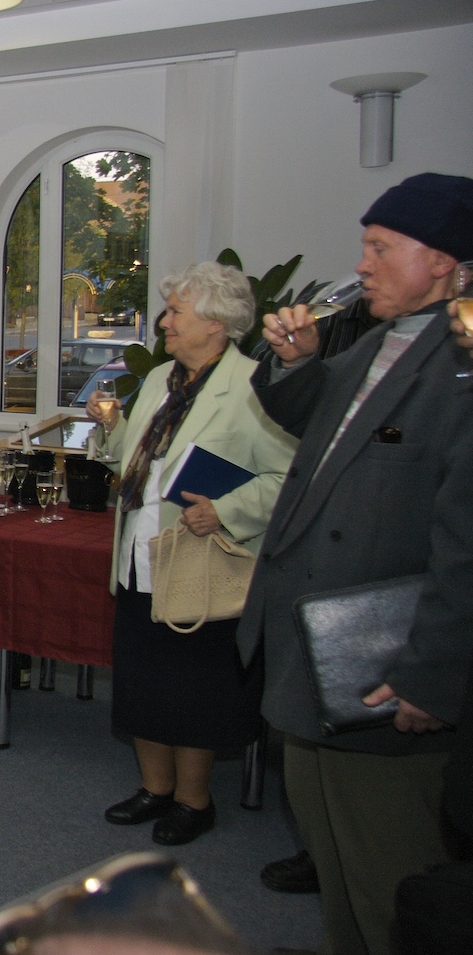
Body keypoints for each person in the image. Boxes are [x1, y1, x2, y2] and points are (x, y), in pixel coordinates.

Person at [239, 172, 473, 955]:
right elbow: (319, 426)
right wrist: (299, 360)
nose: (362, 264)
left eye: (380, 246)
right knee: (337, 866)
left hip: (384, 665)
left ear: (442, 258)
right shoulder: (382, 338)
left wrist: (430, 674)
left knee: (390, 882)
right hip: (318, 651)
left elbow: (466, 545)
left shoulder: (462, 357)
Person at [88, 262, 297, 846]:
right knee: (143, 683)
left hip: (203, 561)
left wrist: (227, 510)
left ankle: (193, 801)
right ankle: (154, 789)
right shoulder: (160, 379)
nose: (164, 322)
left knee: (194, 691)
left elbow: (289, 477)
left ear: (217, 322)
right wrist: (110, 427)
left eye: (176, 311)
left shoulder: (254, 385)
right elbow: (133, 462)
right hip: (140, 556)